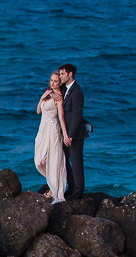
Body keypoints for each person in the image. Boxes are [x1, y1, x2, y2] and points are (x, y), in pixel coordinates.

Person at [34, 72, 69, 202]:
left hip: (52, 130)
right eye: (51, 80)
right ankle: (52, 185)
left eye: (55, 81)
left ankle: (54, 189)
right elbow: (38, 110)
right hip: (42, 130)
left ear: (60, 83)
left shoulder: (58, 97)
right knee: (39, 161)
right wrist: (42, 97)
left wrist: (65, 135)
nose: (53, 83)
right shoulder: (48, 94)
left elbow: (61, 117)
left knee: (49, 160)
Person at [58, 63, 88, 200]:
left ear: (70, 74)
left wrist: (70, 136)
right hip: (65, 134)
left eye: (62, 74)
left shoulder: (77, 92)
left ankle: (78, 192)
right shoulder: (64, 89)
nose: (60, 76)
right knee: (63, 160)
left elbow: (77, 115)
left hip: (74, 134)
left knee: (76, 164)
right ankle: (71, 186)